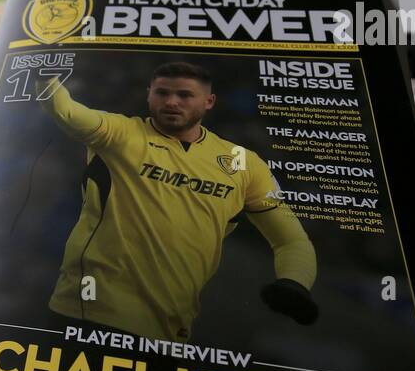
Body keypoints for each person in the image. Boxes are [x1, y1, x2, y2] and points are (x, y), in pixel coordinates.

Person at [39, 60, 317, 342]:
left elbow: (291, 240)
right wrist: (45, 73)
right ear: (149, 94)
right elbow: (66, 111)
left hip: (170, 331)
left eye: (184, 95)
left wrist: (295, 281)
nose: (171, 101)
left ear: (209, 101)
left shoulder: (243, 163)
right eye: (162, 93)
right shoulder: (120, 133)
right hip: (87, 315)